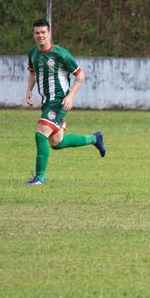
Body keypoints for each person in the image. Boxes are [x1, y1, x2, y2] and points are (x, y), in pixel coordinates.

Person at [25, 19, 105, 185]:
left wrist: (70, 97)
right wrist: (28, 90)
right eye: (37, 33)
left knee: (40, 134)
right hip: (47, 102)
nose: (40, 36)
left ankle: (39, 178)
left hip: (59, 101)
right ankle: (94, 138)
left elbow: (80, 76)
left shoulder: (61, 54)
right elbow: (33, 73)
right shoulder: (32, 53)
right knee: (56, 142)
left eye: (43, 33)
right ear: (34, 34)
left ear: (49, 33)